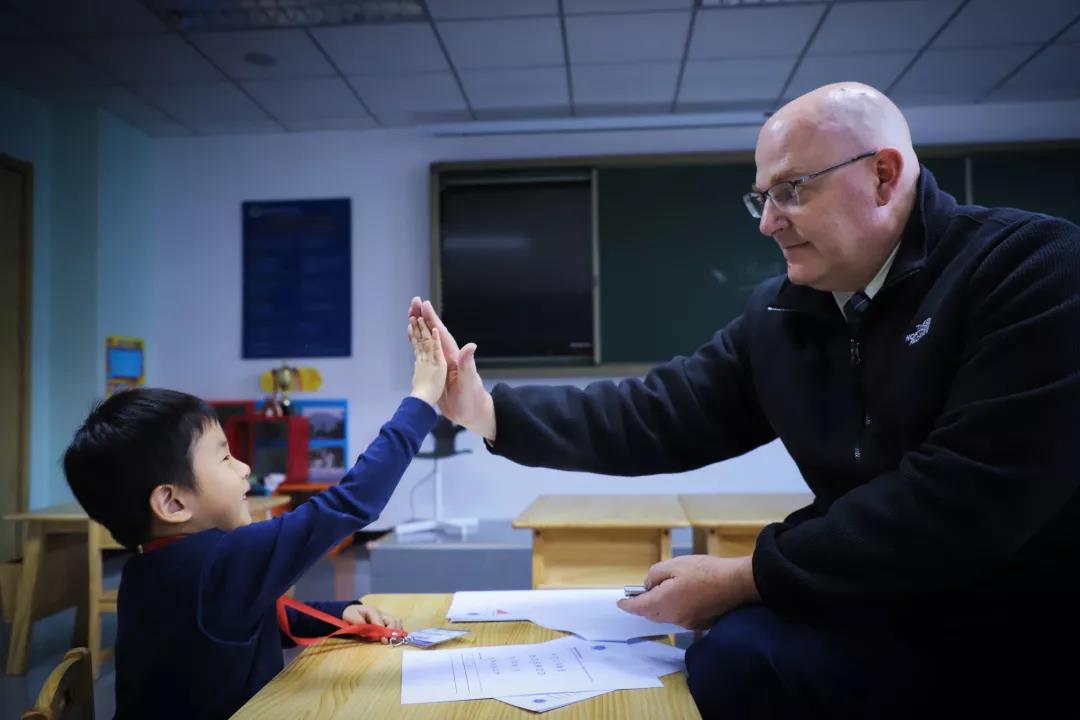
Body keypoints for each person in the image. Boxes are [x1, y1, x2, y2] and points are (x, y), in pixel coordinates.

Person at [410, 82, 1080, 716]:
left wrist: (746, 576)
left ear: (882, 175)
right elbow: (658, 412)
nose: (768, 223)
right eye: (762, 197)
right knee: (732, 661)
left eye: (792, 191)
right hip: (872, 603)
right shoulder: (785, 313)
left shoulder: (1029, 271)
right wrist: (485, 411)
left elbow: (958, 503)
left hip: (1015, 622)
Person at [63, 317, 446, 719]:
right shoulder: (220, 560)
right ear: (173, 504)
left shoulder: (150, 570)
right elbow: (352, 501)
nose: (244, 468)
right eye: (225, 457)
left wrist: (338, 615)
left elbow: (241, 622)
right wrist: (421, 400)